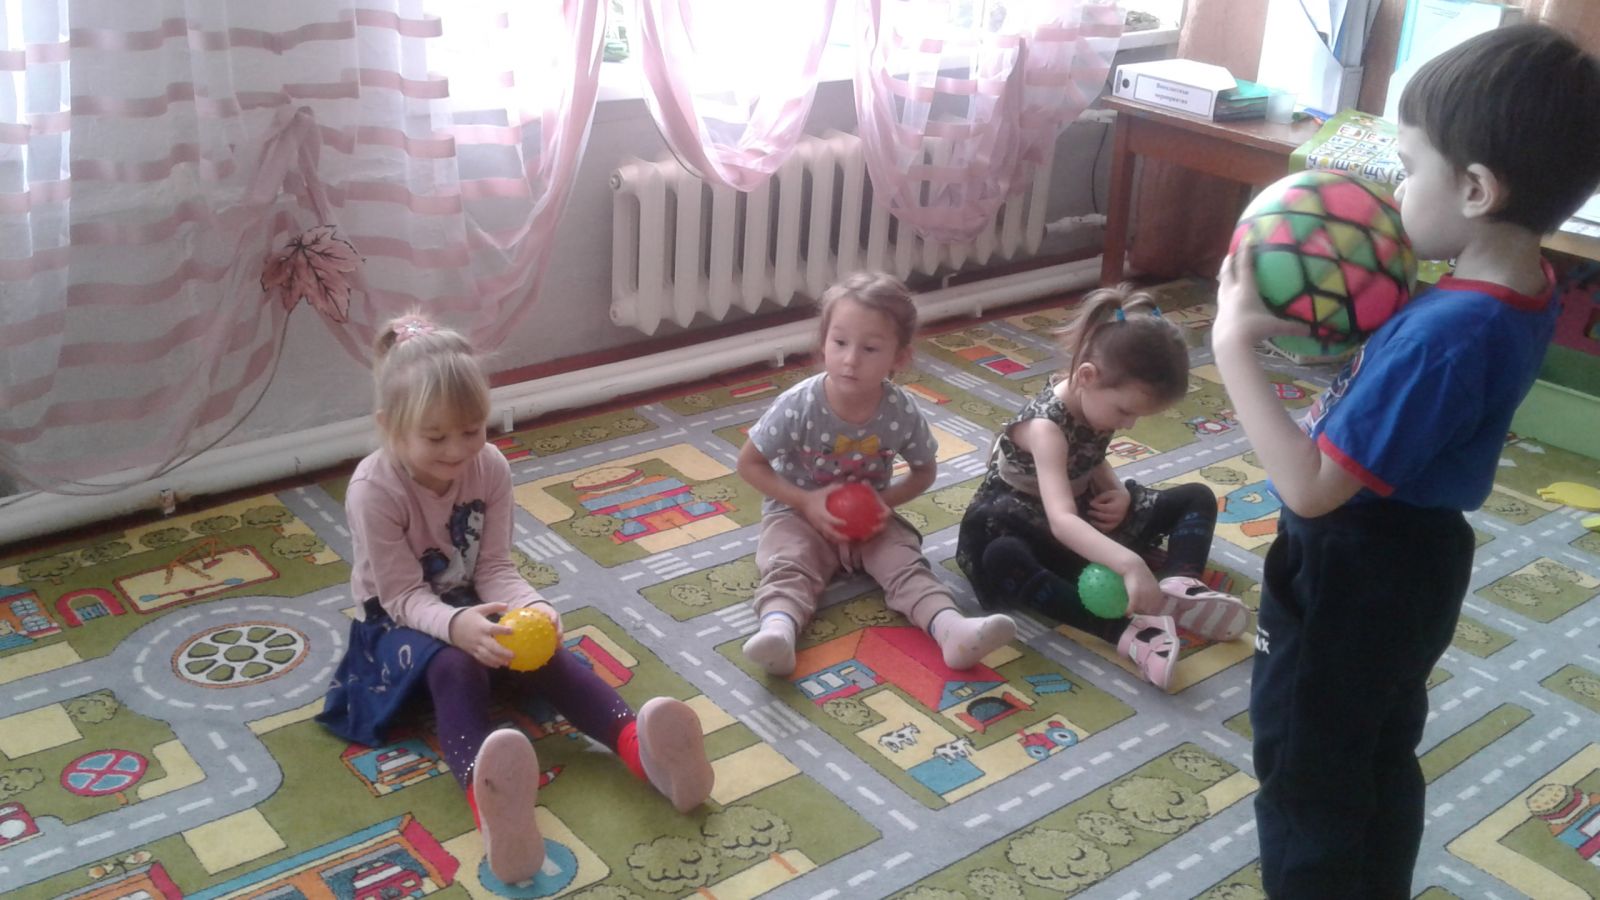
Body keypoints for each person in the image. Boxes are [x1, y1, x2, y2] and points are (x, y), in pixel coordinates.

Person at [1210, 24, 1600, 899]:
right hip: (1419, 562)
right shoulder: (1523, 283)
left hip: (1352, 564)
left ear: (1476, 189)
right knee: (1378, 749)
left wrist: (1232, 345)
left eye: (1409, 167)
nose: (1393, 188)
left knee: (1307, 769)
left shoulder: (1444, 336)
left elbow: (1311, 490)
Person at [317, 313, 714, 885]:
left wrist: (533, 607)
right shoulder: (373, 490)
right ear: (389, 427)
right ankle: (494, 809)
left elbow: (495, 567)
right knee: (455, 666)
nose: (458, 450)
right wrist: (457, 628)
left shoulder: (490, 467)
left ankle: (642, 750)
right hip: (398, 624)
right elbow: (401, 596)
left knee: (541, 648)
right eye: (435, 437)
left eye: (472, 429)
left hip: (469, 596)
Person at [955, 283, 1250, 693]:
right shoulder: (1044, 429)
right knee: (1004, 559)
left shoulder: (1092, 399)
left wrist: (1119, 493)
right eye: (1125, 411)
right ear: (1087, 376)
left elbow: (1088, 454)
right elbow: (1061, 520)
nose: (1128, 424)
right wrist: (1130, 564)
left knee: (1196, 497)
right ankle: (1128, 633)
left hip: (1083, 510)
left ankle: (1181, 584)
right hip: (1025, 521)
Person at [738, 272, 1018, 676]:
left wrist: (881, 503)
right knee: (789, 562)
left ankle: (951, 630)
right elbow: (749, 463)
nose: (851, 359)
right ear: (823, 342)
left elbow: (924, 470)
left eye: (870, 348)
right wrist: (806, 502)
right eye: (839, 343)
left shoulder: (900, 411)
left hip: (868, 520)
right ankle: (778, 633)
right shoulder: (798, 405)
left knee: (903, 560)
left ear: (899, 358)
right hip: (797, 514)